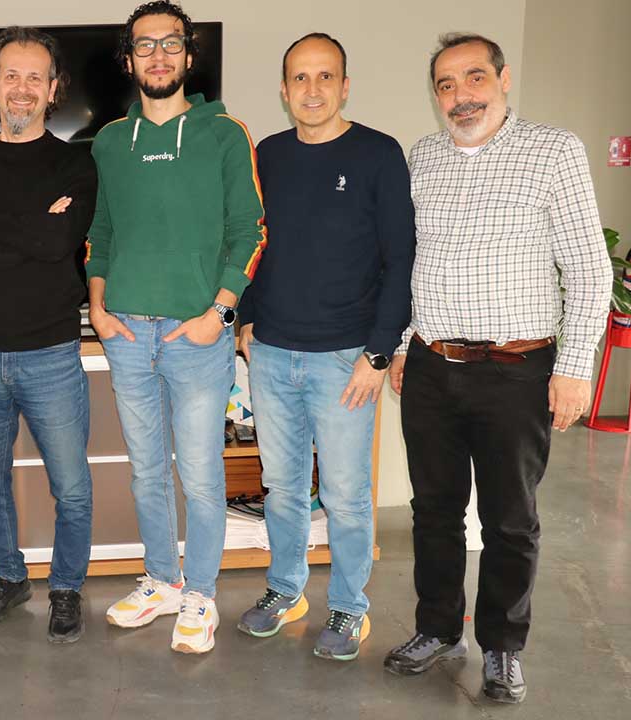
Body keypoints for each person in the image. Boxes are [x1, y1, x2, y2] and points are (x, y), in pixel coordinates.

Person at [383, 33, 611, 703]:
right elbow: (411, 263)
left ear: (503, 79)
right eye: (446, 84)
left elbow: (589, 268)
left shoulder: (554, 151)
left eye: (474, 77)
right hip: (431, 367)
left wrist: (574, 367)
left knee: (510, 518)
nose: (461, 95)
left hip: (517, 372)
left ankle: (503, 647)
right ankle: (437, 628)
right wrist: (404, 344)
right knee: (434, 510)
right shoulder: (423, 158)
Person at [87, 1, 266, 654]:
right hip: (127, 335)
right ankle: (162, 581)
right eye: (144, 44)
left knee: (201, 476)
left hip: (198, 338)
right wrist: (98, 308)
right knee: (146, 473)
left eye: (170, 43)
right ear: (128, 59)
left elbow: (250, 231)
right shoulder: (111, 141)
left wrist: (218, 315)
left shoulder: (225, 134)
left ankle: (201, 596)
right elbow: (101, 232)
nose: (157, 55)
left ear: (189, 56)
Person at [233, 32, 414, 662]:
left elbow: (400, 260)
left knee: (344, 495)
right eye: (300, 78)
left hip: (345, 359)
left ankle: (348, 606)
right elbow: (253, 242)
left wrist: (378, 353)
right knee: (282, 488)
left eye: (325, 76)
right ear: (284, 91)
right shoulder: (269, 155)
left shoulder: (378, 154)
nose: (312, 90)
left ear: (345, 85)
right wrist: (246, 321)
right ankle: (286, 591)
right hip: (272, 354)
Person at [0, 26, 99, 643]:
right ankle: (9, 577)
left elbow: (59, 244)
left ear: (53, 89)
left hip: (52, 353)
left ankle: (66, 588)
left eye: (35, 77)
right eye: (11, 76)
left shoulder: (75, 163)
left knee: (71, 488)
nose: (22, 88)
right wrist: (29, 226)